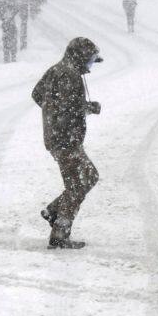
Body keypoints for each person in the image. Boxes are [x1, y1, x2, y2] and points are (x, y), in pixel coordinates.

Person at [32, 37, 103, 249]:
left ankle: (54, 211)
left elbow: (37, 94)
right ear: (80, 56)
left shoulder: (57, 70)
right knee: (80, 183)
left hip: (58, 138)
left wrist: (50, 112)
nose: (90, 65)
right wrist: (88, 108)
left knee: (86, 178)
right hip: (65, 139)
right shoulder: (69, 74)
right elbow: (68, 108)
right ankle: (59, 234)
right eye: (90, 60)